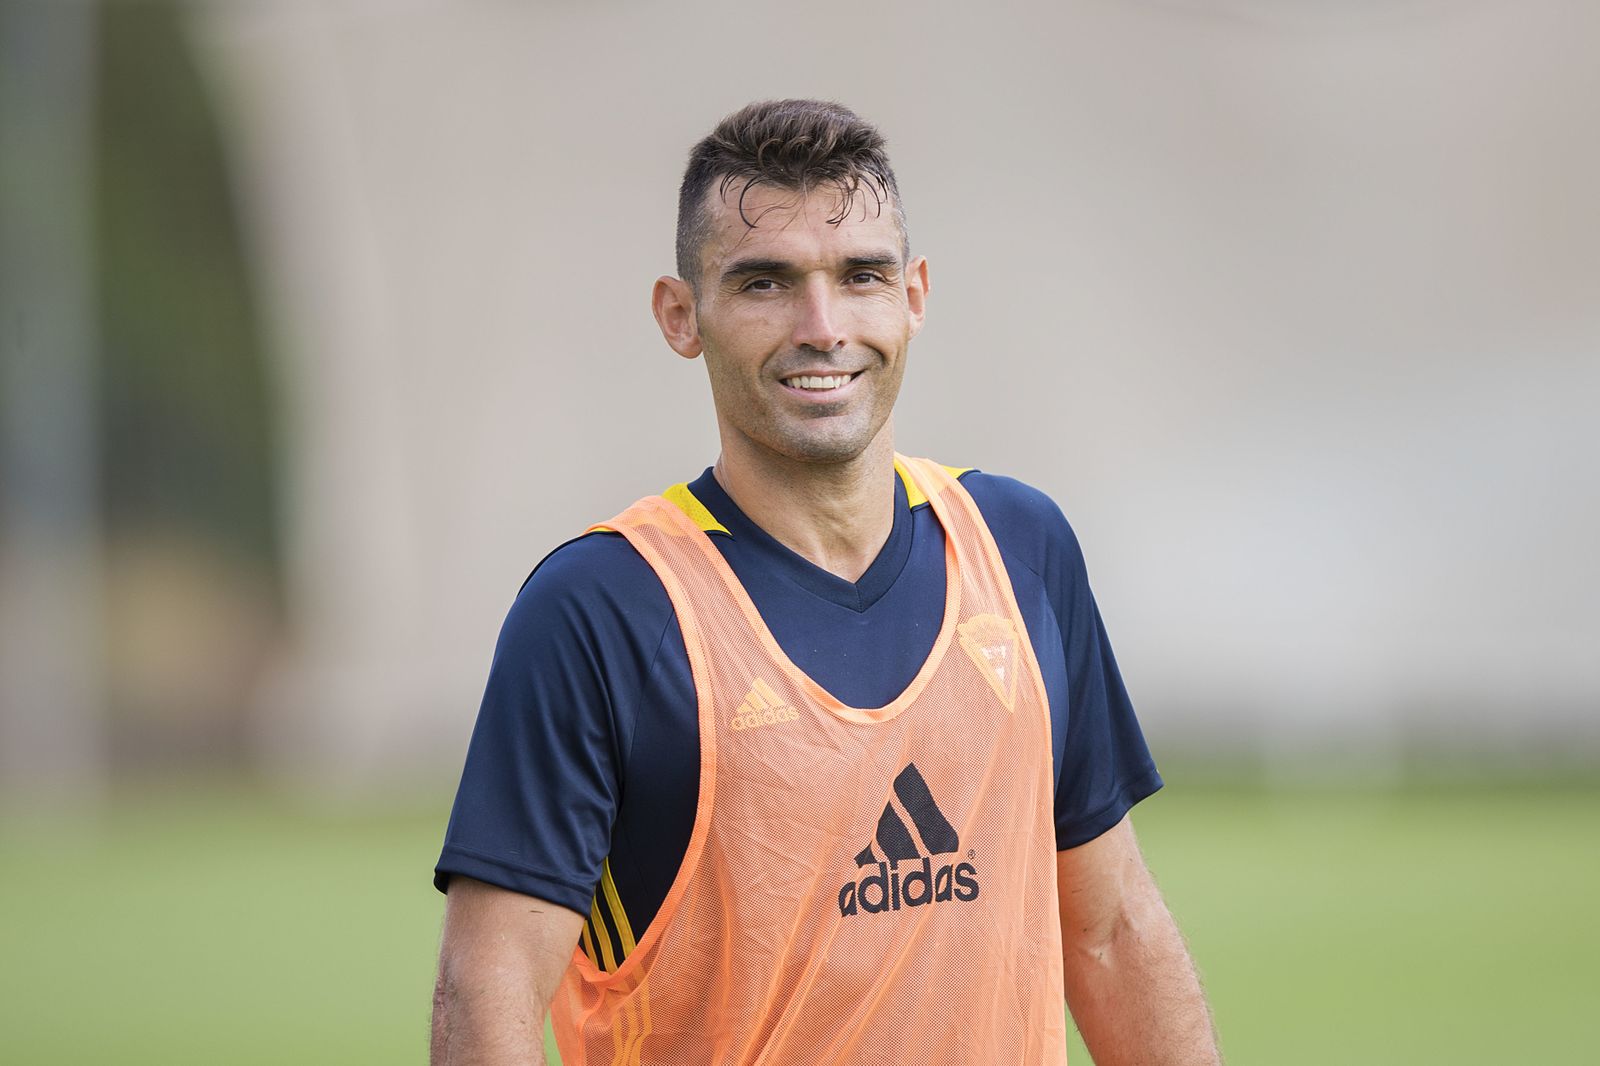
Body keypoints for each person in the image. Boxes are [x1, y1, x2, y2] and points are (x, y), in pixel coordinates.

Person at [430, 99, 1220, 1065]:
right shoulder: (602, 609)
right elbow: (487, 990)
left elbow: (1109, 932)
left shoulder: (1022, 547)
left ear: (915, 297)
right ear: (682, 317)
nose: (822, 325)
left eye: (861, 277)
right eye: (765, 282)